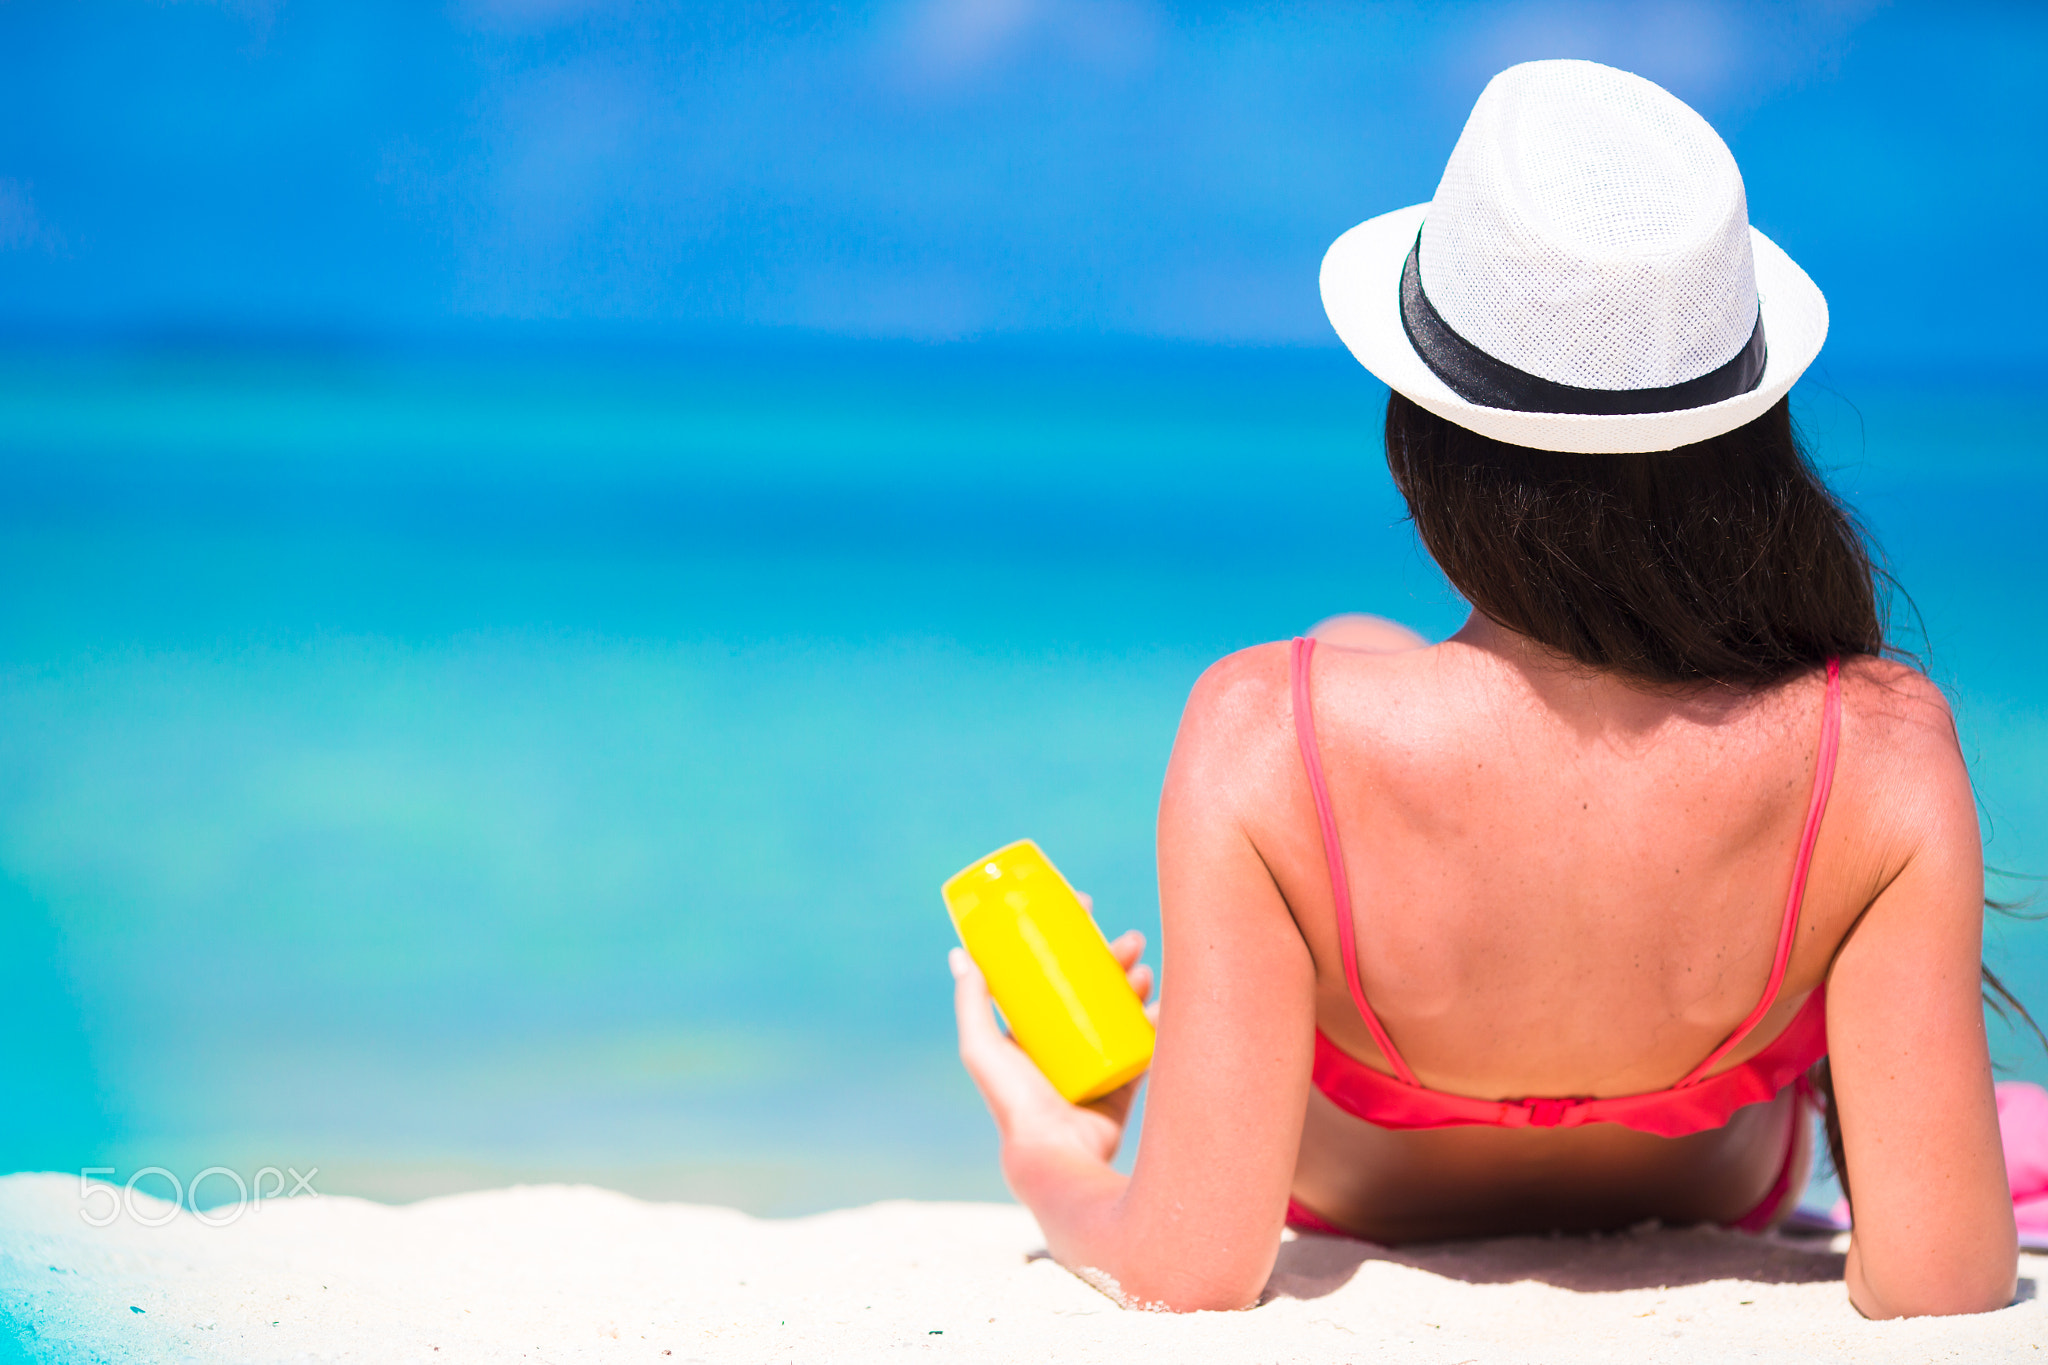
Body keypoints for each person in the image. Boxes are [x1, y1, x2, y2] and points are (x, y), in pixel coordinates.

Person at [949, 59, 2025, 1319]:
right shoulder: (1883, 748)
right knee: (1380, 654)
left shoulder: (1262, 734)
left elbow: (1187, 1272)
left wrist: (1054, 1157)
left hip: (1360, 1186)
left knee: (1351, 653)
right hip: (1716, 1185)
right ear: (1747, 440)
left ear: (1420, 452)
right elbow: (1939, 1283)